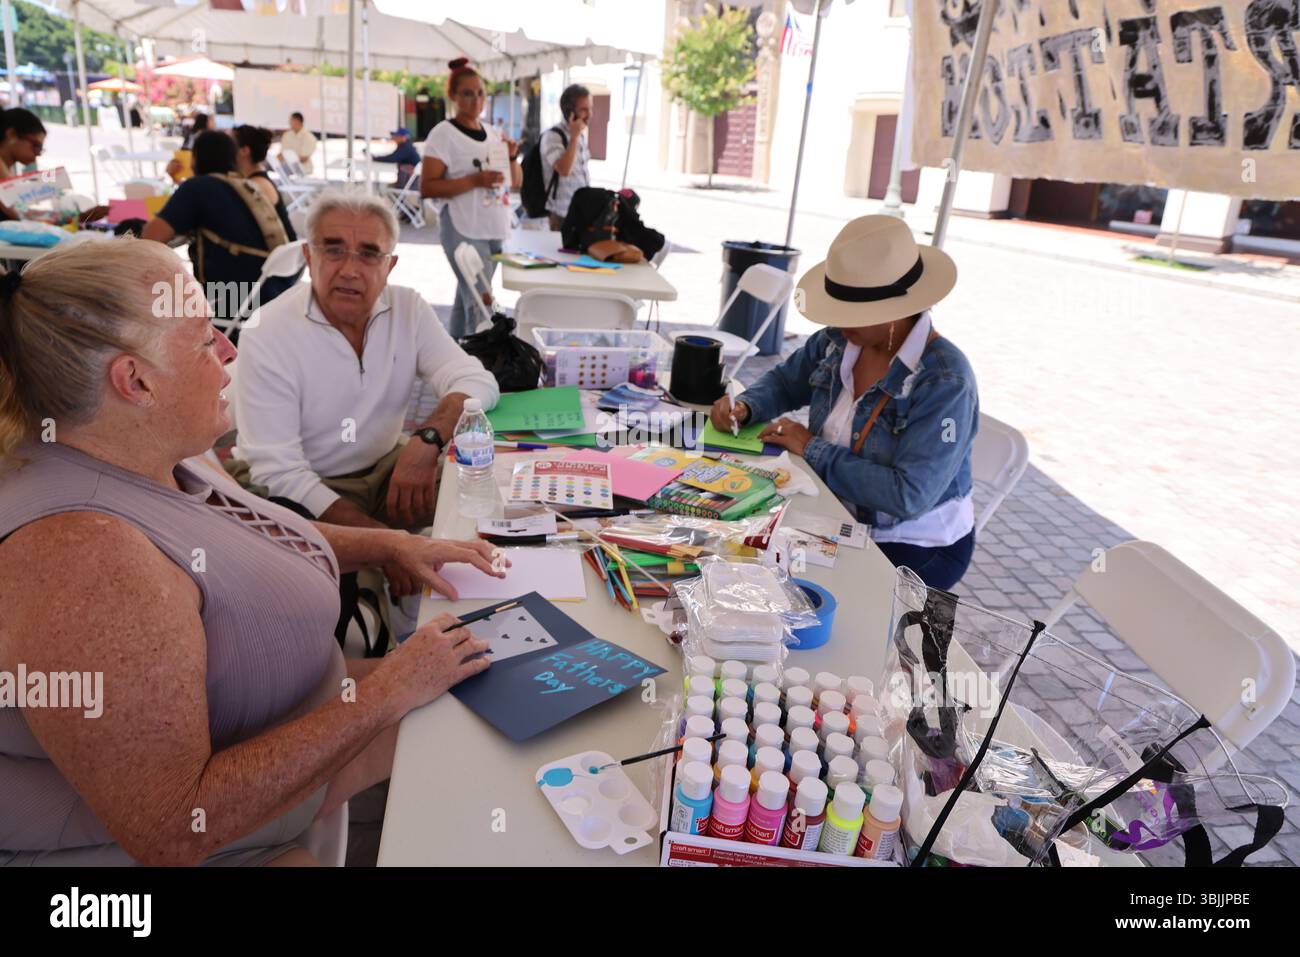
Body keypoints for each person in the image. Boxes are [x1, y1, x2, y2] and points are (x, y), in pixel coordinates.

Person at [0, 237, 508, 865]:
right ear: (135, 380)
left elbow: (239, 541)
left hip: (303, 722)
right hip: (199, 839)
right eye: (205, 337)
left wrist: (390, 544)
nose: (228, 350)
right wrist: (389, 692)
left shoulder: (152, 443)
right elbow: (173, 826)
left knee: (509, 710)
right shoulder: (81, 559)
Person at [710, 215, 980, 590]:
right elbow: (787, 383)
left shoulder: (945, 382)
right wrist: (747, 406)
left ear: (896, 311)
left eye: (852, 313)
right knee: (730, 553)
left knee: (791, 593)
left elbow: (907, 495)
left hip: (912, 546)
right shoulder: (839, 340)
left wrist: (811, 448)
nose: (838, 322)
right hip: (834, 509)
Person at [229, 187, 498, 549]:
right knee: (351, 597)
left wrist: (427, 441)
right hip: (307, 489)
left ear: (389, 266)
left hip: (388, 467)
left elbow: (476, 380)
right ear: (309, 257)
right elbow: (279, 474)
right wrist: (391, 545)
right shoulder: (269, 332)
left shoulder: (407, 309)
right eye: (334, 249)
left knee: (486, 506)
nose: (351, 270)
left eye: (370, 254)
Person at [143, 130, 295, 325]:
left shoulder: (197, 187)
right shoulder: (246, 185)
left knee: (153, 304)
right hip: (270, 292)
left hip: (231, 300)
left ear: (196, 158)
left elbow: (149, 238)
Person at [420, 57, 521, 339]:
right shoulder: (443, 134)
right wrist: (474, 181)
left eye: (480, 93)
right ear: (452, 96)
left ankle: (452, 358)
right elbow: (427, 187)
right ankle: (476, 367)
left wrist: (512, 158)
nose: (476, 99)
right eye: (467, 93)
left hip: (493, 228)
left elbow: (515, 182)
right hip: (463, 227)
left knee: (469, 301)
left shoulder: (492, 133)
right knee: (480, 304)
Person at [232, 124, 297, 242]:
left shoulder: (256, 185)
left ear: (244, 151)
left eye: (229, 144)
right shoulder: (255, 180)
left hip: (279, 257)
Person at [539, 84, 591, 230]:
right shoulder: (553, 136)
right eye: (584, 110)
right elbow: (564, 169)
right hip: (560, 215)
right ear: (570, 111)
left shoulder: (579, 135)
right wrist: (573, 138)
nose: (590, 114)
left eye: (590, 108)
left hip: (580, 212)